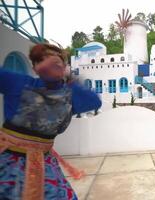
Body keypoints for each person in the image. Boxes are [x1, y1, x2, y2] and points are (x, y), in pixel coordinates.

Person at [0, 43, 102, 200]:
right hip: (7, 162)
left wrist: (68, 77)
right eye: (41, 60)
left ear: (65, 65)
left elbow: (94, 101)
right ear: (34, 68)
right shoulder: (19, 82)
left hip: (43, 162)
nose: (48, 63)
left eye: (54, 59)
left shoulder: (70, 94)